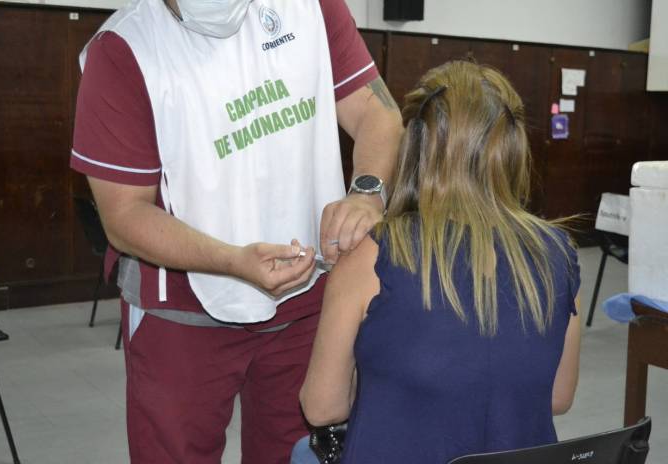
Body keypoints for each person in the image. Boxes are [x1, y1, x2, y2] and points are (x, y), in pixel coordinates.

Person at [69, 0, 403, 463]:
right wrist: (231, 261)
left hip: (306, 298)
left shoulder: (312, 8)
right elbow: (124, 216)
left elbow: (377, 112)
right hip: (180, 310)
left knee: (292, 452)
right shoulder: (122, 48)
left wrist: (366, 193)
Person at [297, 60, 582, 464]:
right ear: (513, 149)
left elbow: (322, 407)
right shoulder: (559, 253)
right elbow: (558, 397)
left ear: (414, 147)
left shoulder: (372, 255)